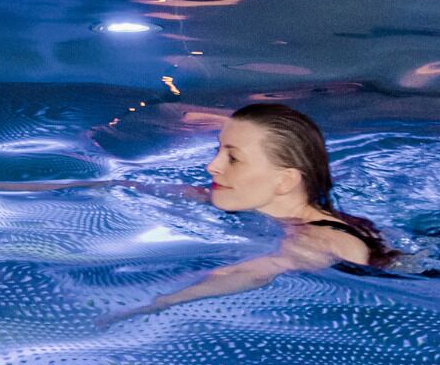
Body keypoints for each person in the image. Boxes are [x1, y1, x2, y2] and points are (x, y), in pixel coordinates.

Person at [128, 101, 392, 313]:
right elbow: (188, 194)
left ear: (284, 181)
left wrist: (158, 302)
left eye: (233, 158)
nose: (212, 166)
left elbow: (253, 273)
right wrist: (108, 184)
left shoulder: (315, 238)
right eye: (217, 150)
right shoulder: (263, 205)